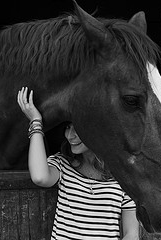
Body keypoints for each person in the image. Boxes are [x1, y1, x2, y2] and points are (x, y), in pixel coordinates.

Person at [17, 87, 139, 240]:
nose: (69, 136)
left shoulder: (124, 174)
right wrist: (36, 122)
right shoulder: (63, 164)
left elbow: (131, 234)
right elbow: (40, 177)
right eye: (68, 127)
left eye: (77, 129)